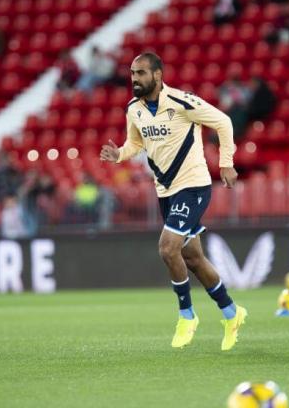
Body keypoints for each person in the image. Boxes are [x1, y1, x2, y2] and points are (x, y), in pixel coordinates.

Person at [99, 52, 246, 350]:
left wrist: (226, 163)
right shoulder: (133, 109)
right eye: (132, 73)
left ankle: (186, 316)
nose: (134, 79)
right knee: (192, 258)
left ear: (157, 75)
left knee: (167, 248)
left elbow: (224, 122)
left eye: (140, 73)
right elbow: (136, 142)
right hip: (165, 191)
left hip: (193, 186)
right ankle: (232, 313)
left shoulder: (182, 103)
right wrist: (120, 155)